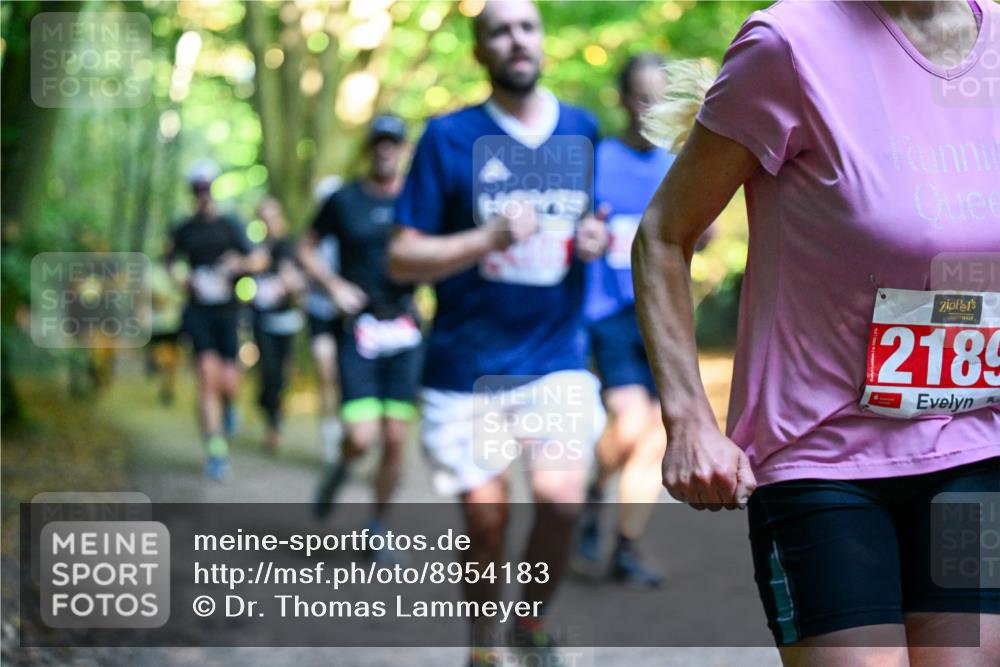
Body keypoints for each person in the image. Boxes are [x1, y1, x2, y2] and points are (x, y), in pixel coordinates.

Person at [632, 2, 999, 666]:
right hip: (822, 456)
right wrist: (689, 418)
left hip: (975, 438)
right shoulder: (790, 46)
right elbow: (663, 235)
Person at [388, 3, 609, 665]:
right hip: (466, 366)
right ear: (480, 51)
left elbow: (595, 224)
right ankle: (483, 641)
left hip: (554, 356)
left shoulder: (582, 130)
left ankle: (529, 623)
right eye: (499, 31)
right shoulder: (447, 138)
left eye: (527, 27)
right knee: (486, 526)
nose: (516, 40)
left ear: (541, 40)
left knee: (562, 500)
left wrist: (592, 239)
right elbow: (402, 257)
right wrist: (486, 237)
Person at [574, 53, 676, 590]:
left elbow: (694, 236)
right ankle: (593, 495)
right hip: (607, 315)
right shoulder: (596, 159)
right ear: (621, 99)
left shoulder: (677, 164)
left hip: (660, 316)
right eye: (641, 96)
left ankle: (626, 545)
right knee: (632, 420)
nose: (650, 108)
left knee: (657, 435)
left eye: (659, 97)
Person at [301, 115, 424, 546]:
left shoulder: (418, 198)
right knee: (361, 436)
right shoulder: (343, 199)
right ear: (369, 149)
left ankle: (378, 527)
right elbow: (305, 247)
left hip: (405, 329)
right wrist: (333, 286)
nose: (386, 150)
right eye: (379, 143)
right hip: (358, 330)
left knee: (395, 437)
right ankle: (342, 464)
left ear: (404, 149)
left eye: (394, 143)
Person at [166, 159, 267, 480]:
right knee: (206, 378)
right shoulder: (184, 228)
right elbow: (169, 261)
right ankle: (216, 451)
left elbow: (259, 259)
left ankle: (231, 407)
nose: (202, 195)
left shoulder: (231, 225)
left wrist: (240, 264)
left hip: (228, 313)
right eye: (197, 190)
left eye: (206, 189)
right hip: (198, 312)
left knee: (228, 381)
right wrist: (182, 280)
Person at [250, 197, 305, 454]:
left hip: (287, 321)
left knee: (281, 375)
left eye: (273, 216)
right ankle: (272, 424)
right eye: (264, 216)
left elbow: (298, 279)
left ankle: (273, 412)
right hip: (262, 320)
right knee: (269, 371)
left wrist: (290, 282)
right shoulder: (257, 249)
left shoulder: (291, 245)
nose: (269, 221)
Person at [303, 175, 344, 463]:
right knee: (325, 370)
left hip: (348, 315)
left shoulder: (354, 231)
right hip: (319, 311)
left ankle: (345, 430)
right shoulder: (312, 238)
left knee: (345, 377)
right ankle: (329, 431)